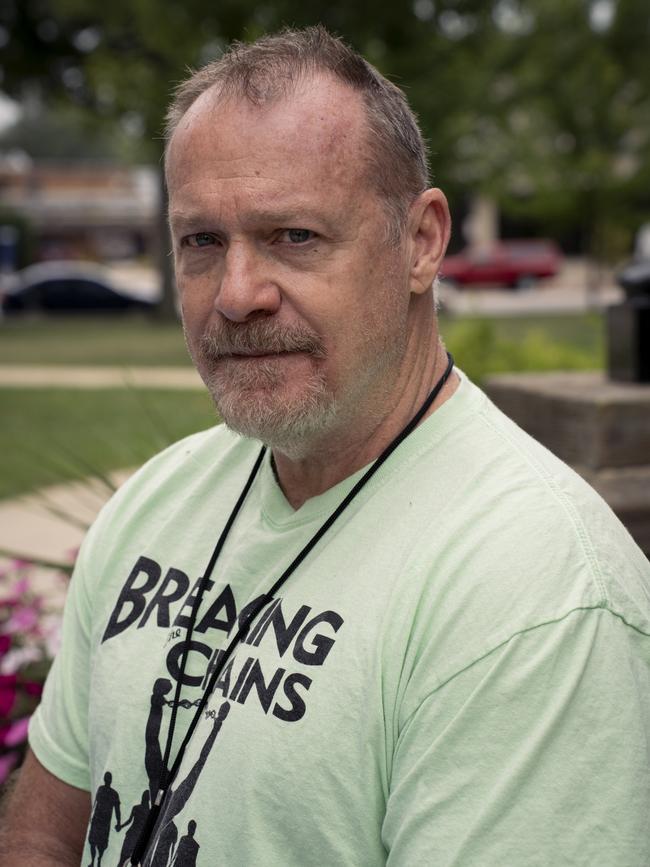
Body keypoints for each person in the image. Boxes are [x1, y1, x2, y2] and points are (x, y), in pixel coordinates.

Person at [1, 25, 649, 867]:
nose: (237, 295)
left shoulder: (538, 592)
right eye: (202, 241)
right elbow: (44, 830)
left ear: (421, 241)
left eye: (294, 237)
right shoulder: (156, 504)